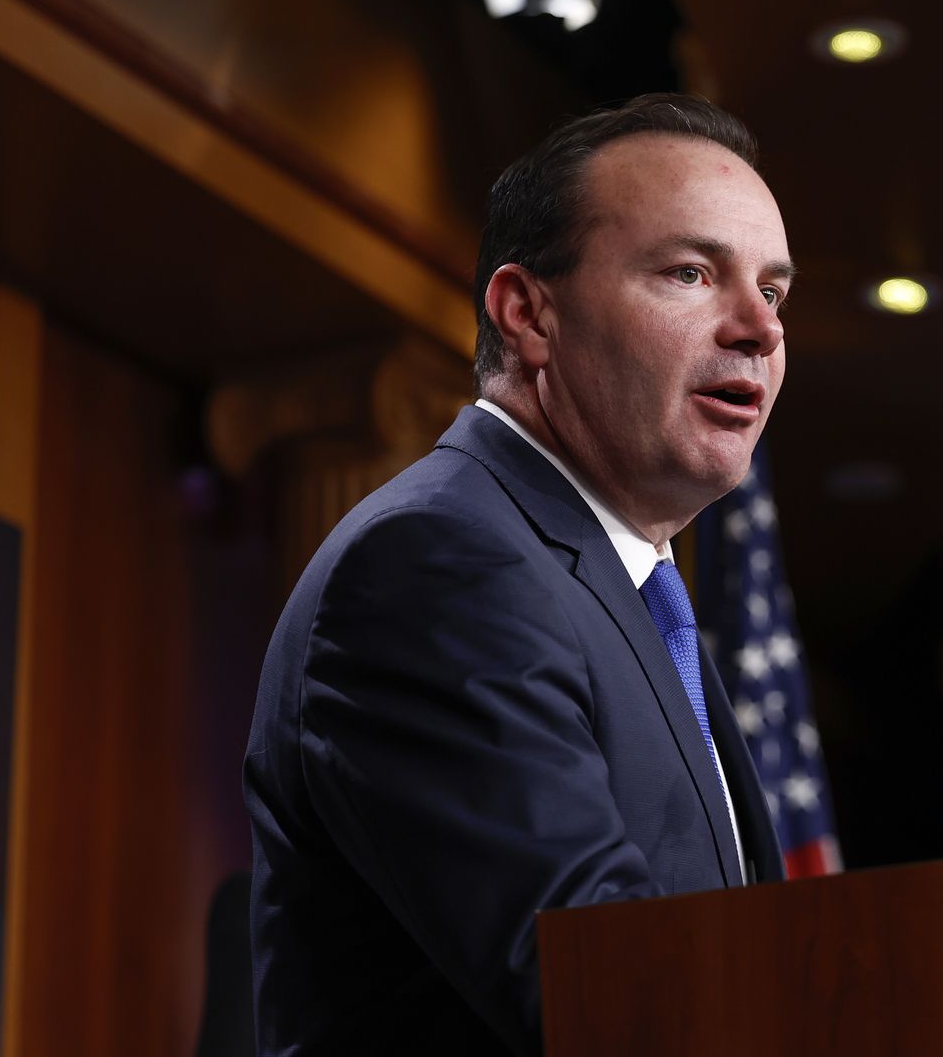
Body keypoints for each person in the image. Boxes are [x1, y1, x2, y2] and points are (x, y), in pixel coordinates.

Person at [243, 94, 793, 1056]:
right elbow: (602, 987)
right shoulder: (438, 567)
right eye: (691, 273)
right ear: (528, 314)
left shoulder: (632, 597)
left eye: (775, 292)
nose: (759, 328)